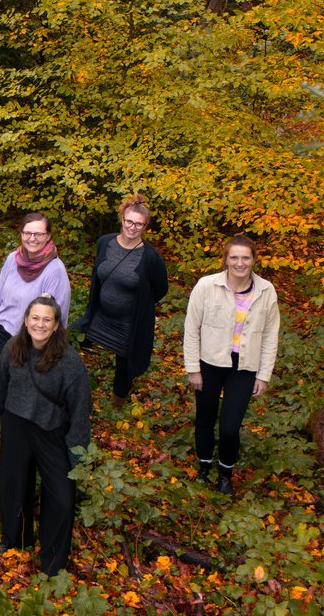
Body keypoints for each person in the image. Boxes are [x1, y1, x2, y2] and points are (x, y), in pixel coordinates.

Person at [0, 296, 91, 576]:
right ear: (26, 320)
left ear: (56, 326)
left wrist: (77, 455)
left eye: (47, 320)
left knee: (63, 497)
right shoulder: (12, 348)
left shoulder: (70, 362)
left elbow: (80, 411)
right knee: (14, 485)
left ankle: (53, 561)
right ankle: (16, 540)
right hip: (15, 424)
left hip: (51, 430)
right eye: (35, 318)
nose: (39, 324)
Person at [184, 235, 280, 496]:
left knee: (229, 426)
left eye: (245, 257)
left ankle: (225, 473)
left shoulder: (266, 290)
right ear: (225, 259)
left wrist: (264, 374)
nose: (240, 263)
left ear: (253, 260)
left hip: (245, 366)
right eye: (234, 257)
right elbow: (192, 327)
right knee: (205, 418)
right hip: (210, 362)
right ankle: (204, 467)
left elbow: (271, 334)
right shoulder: (206, 286)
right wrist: (193, 368)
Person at [73, 194, 168, 403]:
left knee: (124, 367)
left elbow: (161, 289)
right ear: (122, 220)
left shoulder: (150, 258)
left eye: (139, 224)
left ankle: (118, 404)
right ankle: (69, 388)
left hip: (127, 322)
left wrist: (137, 304)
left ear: (145, 227)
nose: (132, 227)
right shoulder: (105, 242)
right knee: (71, 340)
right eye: (129, 221)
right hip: (99, 314)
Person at [0, 213, 72, 359]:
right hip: (3, 332)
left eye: (38, 234)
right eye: (28, 233)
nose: (32, 238)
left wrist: (50, 347)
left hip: (32, 340)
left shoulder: (55, 270)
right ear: (21, 234)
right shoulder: (13, 259)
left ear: (48, 236)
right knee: (4, 379)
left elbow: (58, 313)